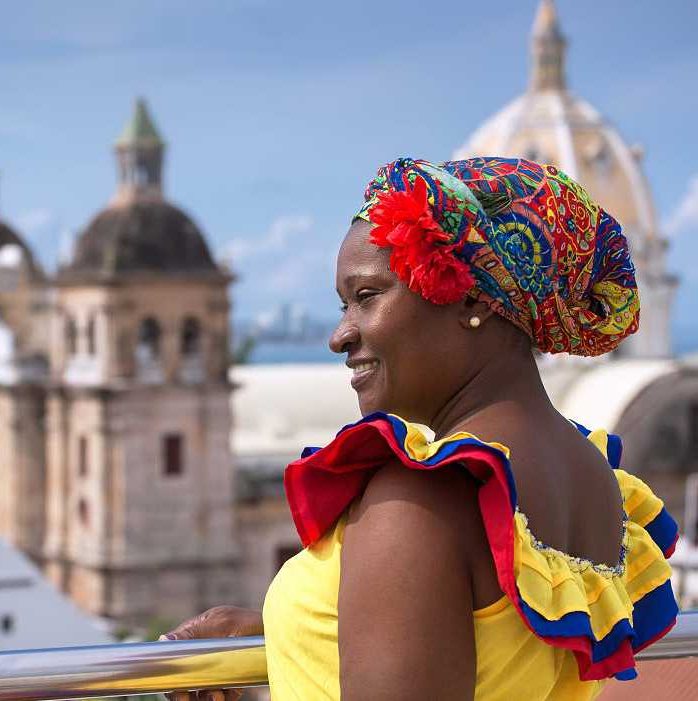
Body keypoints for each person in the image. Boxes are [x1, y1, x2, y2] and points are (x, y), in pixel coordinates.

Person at [163, 157, 679, 700]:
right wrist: (296, 633)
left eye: (366, 296)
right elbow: (493, 655)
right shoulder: (594, 477)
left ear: (474, 299)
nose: (340, 335)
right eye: (344, 305)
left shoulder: (419, 498)